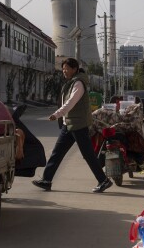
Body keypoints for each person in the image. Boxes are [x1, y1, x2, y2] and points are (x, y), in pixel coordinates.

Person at [32, 58, 113, 193]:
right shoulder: (71, 82)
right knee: (57, 153)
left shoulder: (78, 84)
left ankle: (103, 180)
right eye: (63, 68)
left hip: (78, 125)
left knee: (88, 155)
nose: (64, 71)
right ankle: (46, 180)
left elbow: (71, 102)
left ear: (74, 69)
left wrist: (57, 114)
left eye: (67, 68)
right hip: (68, 124)